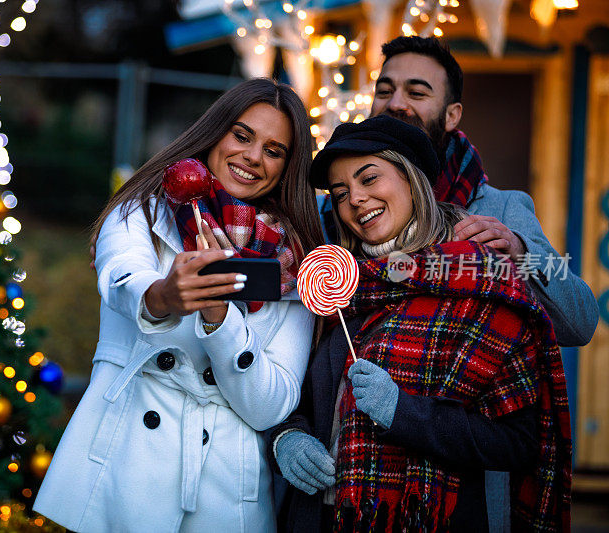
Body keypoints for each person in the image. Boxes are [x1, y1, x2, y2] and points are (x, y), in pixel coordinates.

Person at [33, 78, 325, 532]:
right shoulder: (141, 212)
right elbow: (121, 277)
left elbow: (271, 406)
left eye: (273, 150)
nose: (252, 157)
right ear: (215, 133)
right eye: (242, 136)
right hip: (127, 465)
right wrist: (164, 295)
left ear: (287, 167)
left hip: (227, 491)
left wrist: (220, 317)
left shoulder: (297, 264)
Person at [271, 115, 571, 531]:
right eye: (340, 193)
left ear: (411, 180)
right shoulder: (338, 284)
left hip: (428, 518)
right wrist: (289, 436)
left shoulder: (479, 279)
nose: (355, 198)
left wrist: (403, 412)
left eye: (369, 178)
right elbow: (290, 391)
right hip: (321, 517)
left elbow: (518, 444)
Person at [318, 36, 598, 347]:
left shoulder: (499, 208)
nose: (395, 104)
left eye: (416, 92)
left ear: (452, 115)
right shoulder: (332, 210)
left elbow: (580, 322)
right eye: (384, 91)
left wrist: (520, 252)